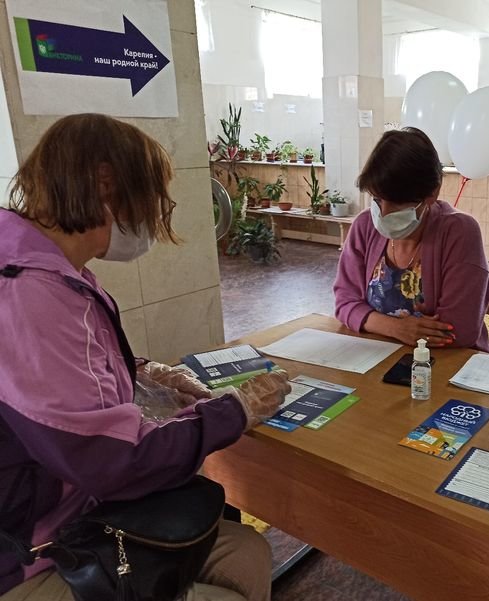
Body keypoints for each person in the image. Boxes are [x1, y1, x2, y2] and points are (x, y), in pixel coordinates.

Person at [0, 114, 291, 601]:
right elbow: (115, 461)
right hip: (33, 551)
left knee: (245, 553)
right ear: (105, 184)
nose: (157, 213)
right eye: (154, 196)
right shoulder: (27, 292)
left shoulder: (45, 265)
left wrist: (140, 372)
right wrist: (235, 410)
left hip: (75, 512)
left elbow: (63, 370)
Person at [334, 127, 489, 353]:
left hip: (447, 362)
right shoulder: (364, 226)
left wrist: (370, 320)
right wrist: (397, 328)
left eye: (397, 202)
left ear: (432, 193)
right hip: (377, 357)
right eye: (377, 199)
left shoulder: (459, 232)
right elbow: (344, 303)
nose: (384, 213)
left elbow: (457, 331)